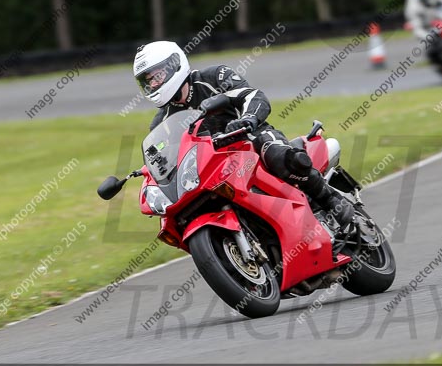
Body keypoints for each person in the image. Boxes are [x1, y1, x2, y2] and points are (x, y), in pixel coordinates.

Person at [133, 40, 354, 230]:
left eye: (157, 75)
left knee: (278, 155)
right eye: (148, 80)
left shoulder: (214, 76)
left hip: (250, 139)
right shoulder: (161, 122)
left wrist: (248, 119)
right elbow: (165, 158)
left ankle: (331, 201)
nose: (153, 84)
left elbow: (253, 96)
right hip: (213, 167)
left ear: (175, 64)